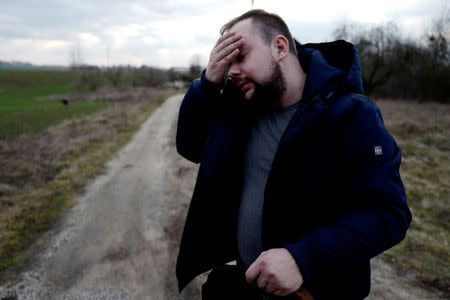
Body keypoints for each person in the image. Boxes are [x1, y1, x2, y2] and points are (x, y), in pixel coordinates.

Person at [175, 9, 411, 300]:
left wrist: (303, 257)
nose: (231, 70)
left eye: (240, 55)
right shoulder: (242, 109)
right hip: (247, 284)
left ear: (280, 47)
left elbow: (388, 213)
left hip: (317, 292)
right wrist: (207, 84)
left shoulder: (351, 114)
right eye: (226, 62)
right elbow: (190, 145)